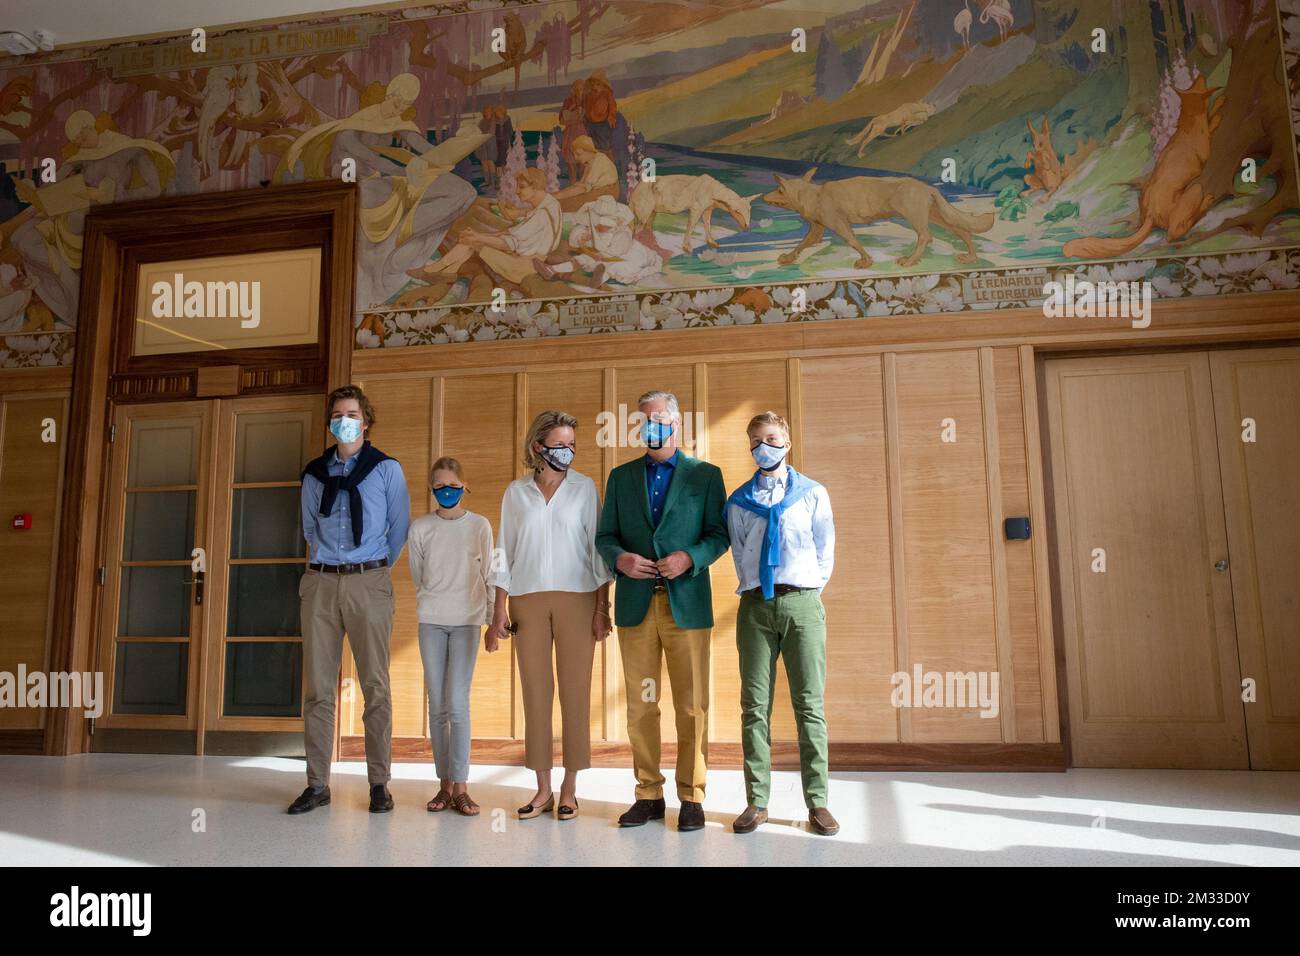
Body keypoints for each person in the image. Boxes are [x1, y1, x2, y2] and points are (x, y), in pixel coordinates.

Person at [595, 391, 730, 832]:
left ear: (676, 422)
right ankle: (648, 794)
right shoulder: (620, 477)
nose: (650, 425)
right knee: (641, 706)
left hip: (686, 605)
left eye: (658, 418)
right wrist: (619, 559)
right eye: (643, 420)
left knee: (692, 707)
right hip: (637, 608)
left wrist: (690, 557)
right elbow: (605, 536)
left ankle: (692, 795)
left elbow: (718, 534)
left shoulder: (705, 476)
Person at [290, 385, 411, 815]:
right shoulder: (313, 473)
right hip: (321, 582)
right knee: (318, 690)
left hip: (369, 581)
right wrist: (333, 567)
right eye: (338, 414)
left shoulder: (386, 470)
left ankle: (379, 783)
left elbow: (398, 529)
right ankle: (317, 784)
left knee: (375, 686)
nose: (346, 420)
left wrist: (370, 570)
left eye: (353, 413)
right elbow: (309, 528)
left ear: (366, 421)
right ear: (331, 421)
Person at [488, 411, 613, 821]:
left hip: (579, 600)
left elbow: (598, 552)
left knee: (576, 694)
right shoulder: (515, 492)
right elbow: (502, 550)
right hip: (526, 600)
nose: (568, 451)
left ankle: (570, 788)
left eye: (573, 445)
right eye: (560, 444)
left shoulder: (584, 488)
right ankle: (541, 788)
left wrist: (601, 607)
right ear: (538, 446)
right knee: (535, 694)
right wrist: (497, 609)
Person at [725, 411, 838, 836]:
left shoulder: (812, 494)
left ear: (786, 442)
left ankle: (819, 803)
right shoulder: (738, 501)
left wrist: (804, 591)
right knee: (754, 707)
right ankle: (757, 801)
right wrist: (761, 587)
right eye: (755, 440)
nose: (762, 446)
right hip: (755, 606)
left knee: (809, 705)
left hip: (802, 604)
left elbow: (825, 551)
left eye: (770, 438)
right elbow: (740, 553)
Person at [407, 456, 497, 817]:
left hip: (467, 622)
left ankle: (461, 786)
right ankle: (443, 785)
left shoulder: (480, 526)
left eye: (453, 486)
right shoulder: (420, 528)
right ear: (431, 490)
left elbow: (491, 572)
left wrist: (492, 620)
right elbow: (419, 575)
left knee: (458, 703)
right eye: (439, 487)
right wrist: (435, 598)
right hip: (431, 620)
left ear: (464, 487)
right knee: (438, 705)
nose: (447, 492)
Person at [406, 167, 561, 303]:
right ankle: (445, 270)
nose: (517, 191)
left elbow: (509, 243)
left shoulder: (540, 215)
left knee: (473, 242)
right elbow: (513, 231)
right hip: (529, 259)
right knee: (474, 239)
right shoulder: (550, 205)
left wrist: (478, 238)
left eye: (522, 187)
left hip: (523, 267)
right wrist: (482, 235)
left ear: (535, 187)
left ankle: (436, 270)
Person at [554, 135, 619, 213]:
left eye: (578, 154)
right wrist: (558, 194)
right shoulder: (590, 162)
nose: (575, 158)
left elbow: (583, 188)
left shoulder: (599, 160)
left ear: (589, 150)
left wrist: (557, 196)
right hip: (596, 192)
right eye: (574, 154)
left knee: (565, 205)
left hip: (605, 194)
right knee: (562, 202)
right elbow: (581, 185)